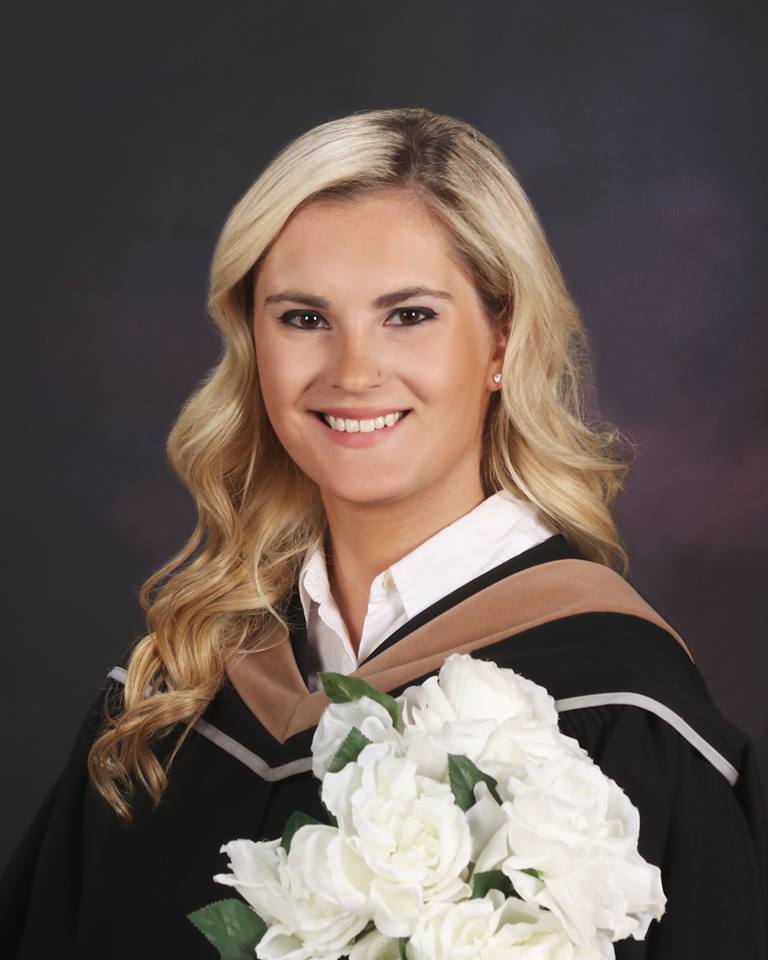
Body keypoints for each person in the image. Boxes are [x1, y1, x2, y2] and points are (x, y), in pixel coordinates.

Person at [1, 106, 766, 959]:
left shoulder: (626, 715)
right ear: (253, 344)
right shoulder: (169, 697)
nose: (354, 371)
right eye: (302, 317)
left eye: (408, 315)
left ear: (503, 340)